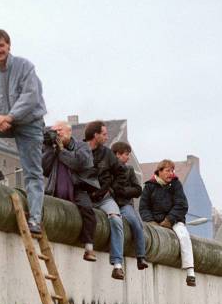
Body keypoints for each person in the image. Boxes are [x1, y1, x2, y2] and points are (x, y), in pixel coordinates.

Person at [0, 28, 46, 234]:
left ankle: (36, 220)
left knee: (32, 172)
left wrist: (10, 116)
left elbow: (31, 97)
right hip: (4, 122)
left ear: (9, 46)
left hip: (29, 124)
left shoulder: (25, 67)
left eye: (1, 45)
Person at [43, 120, 99, 262]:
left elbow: (79, 163)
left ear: (69, 132)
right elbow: (44, 169)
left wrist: (61, 151)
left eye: (59, 130)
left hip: (78, 188)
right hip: (54, 188)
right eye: (54, 131)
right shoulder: (51, 147)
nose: (57, 134)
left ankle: (88, 247)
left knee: (88, 211)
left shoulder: (82, 146)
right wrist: (50, 148)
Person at [139, 159, 196, 286]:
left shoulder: (176, 185)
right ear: (159, 172)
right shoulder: (149, 186)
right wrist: (151, 222)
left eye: (172, 171)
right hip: (154, 221)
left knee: (183, 236)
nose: (171, 173)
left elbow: (181, 205)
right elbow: (143, 208)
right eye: (167, 171)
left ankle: (190, 271)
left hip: (174, 220)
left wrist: (169, 220)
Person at [84, 120, 127, 280]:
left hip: (104, 198)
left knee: (116, 220)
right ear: (95, 135)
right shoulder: (80, 150)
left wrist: (112, 190)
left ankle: (117, 264)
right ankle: (88, 249)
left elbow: (121, 173)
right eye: (104, 134)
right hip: (85, 197)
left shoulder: (107, 154)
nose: (107, 137)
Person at [111, 141, 148, 270]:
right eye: (126, 154)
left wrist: (124, 192)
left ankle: (141, 256)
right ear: (117, 154)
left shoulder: (129, 169)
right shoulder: (109, 169)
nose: (128, 157)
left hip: (125, 204)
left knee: (136, 224)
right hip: (112, 203)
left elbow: (138, 189)